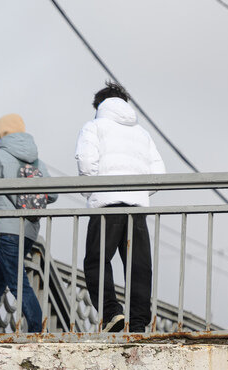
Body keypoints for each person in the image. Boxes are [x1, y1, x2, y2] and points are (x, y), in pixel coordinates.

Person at [74, 82, 165, 333]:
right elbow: (159, 174)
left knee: (96, 260)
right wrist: (138, 193)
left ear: (99, 106)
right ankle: (137, 323)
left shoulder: (93, 127)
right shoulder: (143, 133)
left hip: (106, 204)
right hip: (136, 208)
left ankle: (111, 312)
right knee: (139, 266)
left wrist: (93, 192)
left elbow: (86, 163)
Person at [0, 113, 56, 333]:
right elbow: (53, 194)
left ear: (0, 134)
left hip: (7, 229)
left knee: (18, 284)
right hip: (29, 231)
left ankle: (38, 330)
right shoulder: (37, 161)